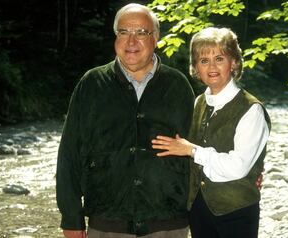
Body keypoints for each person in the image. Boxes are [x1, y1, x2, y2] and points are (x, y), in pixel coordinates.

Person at [56, 3, 194, 238]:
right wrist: (71, 218)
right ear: (115, 37)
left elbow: (202, 146)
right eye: (124, 32)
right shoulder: (92, 84)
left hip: (168, 224)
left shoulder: (178, 85)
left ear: (156, 38)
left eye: (141, 32)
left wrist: (244, 176)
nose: (131, 41)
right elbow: (69, 153)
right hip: (107, 223)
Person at [151, 27, 271, 238]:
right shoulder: (199, 103)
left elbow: (237, 167)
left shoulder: (252, 109)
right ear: (196, 67)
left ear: (233, 63)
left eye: (219, 58)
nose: (212, 66)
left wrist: (193, 151)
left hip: (236, 213)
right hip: (199, 209)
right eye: (204, 60)